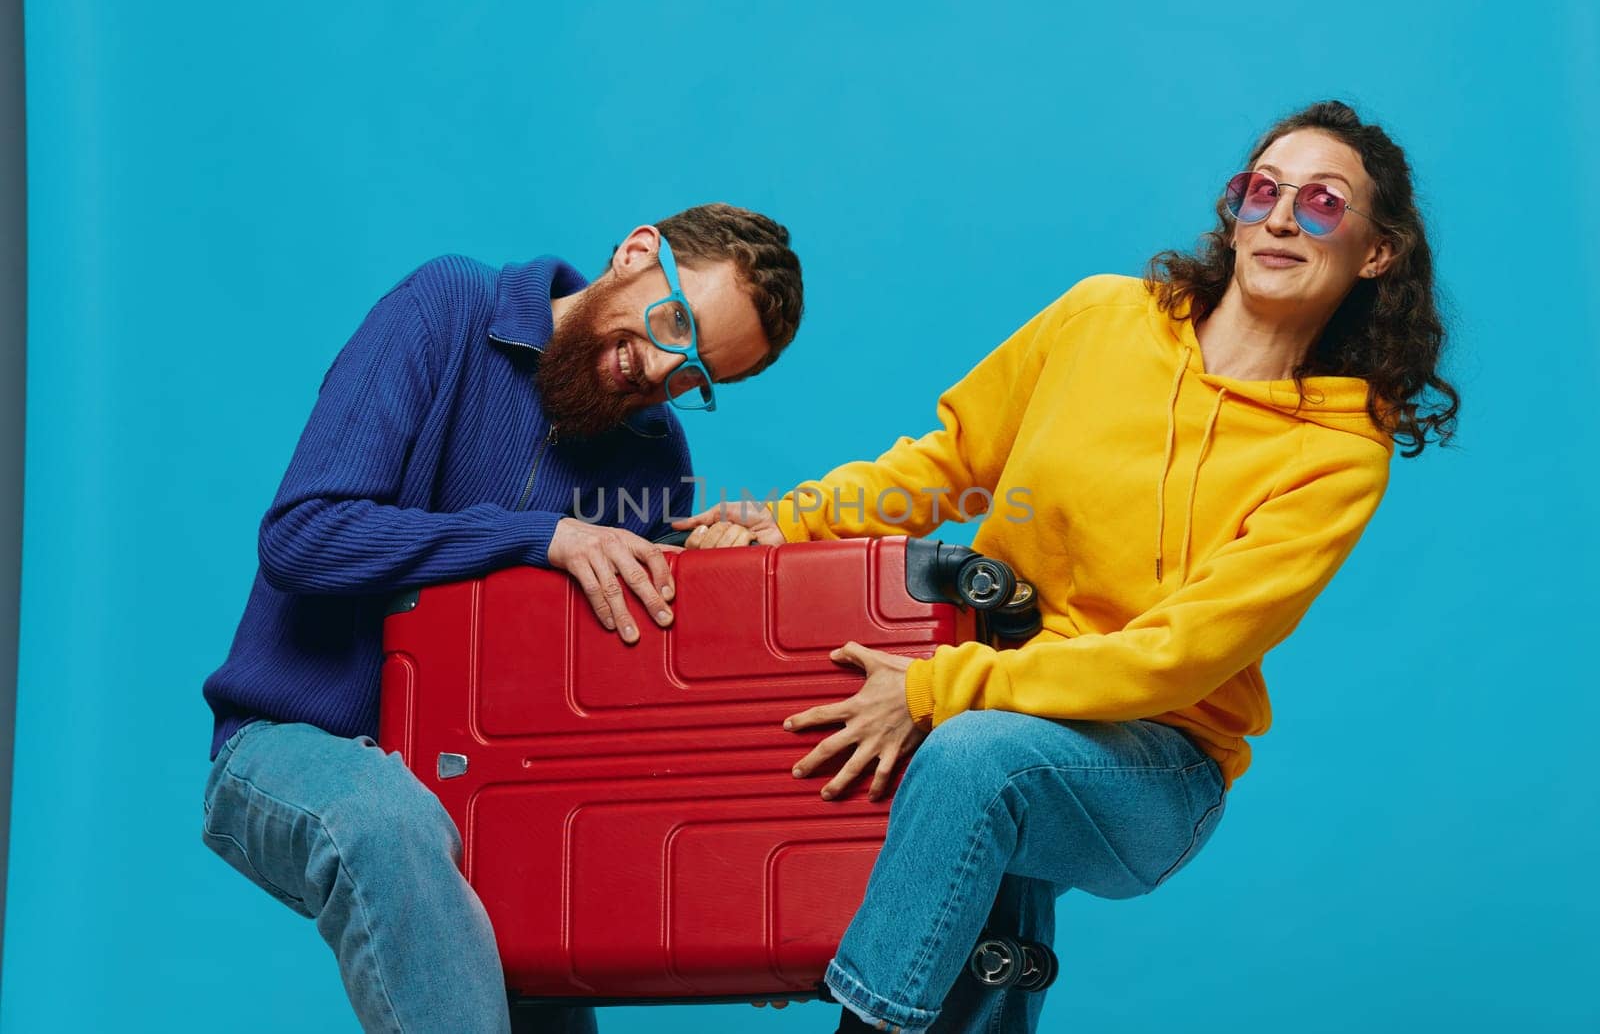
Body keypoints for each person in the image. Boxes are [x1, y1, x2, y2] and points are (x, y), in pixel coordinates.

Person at [676, 100, 1460, 1033]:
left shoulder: (1338, 454)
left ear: (1377, 252)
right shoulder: (1100, 317)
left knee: (975, 758)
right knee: (983, 923)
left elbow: (1177, 654)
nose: (1283, 218)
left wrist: (947, 685)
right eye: (1263, 190)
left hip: (1157, 761)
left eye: (1324, 202)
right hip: (1007, 701)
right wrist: (789, 521)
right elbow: (946, 462)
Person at [199, 203, 804, 1033]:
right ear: (635, 253)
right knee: (389, 821)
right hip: (294, 742)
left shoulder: (656, 458)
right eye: (675, 323)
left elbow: (628, 714)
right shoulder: (450, 308)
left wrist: (721, 575)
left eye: (696, 374)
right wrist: (537, 536)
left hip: (504, 813)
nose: (660, 370)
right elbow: (306, 537)